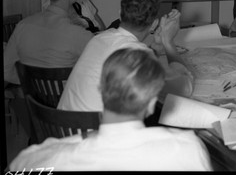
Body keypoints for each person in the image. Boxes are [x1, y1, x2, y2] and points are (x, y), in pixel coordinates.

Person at [9, 48, 212, 171]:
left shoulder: (42, 157)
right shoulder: (187, 149)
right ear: (151, 103)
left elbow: (15, 168)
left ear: (100, 89)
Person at [58, 0, 193, 112]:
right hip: (96, 133)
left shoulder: (99, 38)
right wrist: (168, 42)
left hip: (63, 128)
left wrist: (156, 48)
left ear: (120, 15)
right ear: (154, 24)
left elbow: (127, 57)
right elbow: (184, 89)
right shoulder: (138, 54)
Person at [4, 0, 94, 86]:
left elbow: (5, 70)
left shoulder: (22, 26)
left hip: (32, 103)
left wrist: (34, 86)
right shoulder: (80, 35)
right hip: (66, 102)